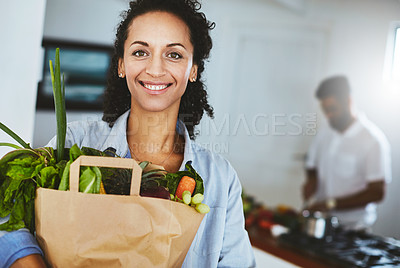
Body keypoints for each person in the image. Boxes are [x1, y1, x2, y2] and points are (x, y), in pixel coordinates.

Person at [0, 0, 256, 267]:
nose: (155, 69)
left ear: (193, 70)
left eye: (174, 54)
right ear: (122, 65)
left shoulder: (220, 178)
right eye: (140, 52)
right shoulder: (76, 142)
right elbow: (7, 214)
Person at [303, 75, 391, 231]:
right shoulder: (325, 131)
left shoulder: (372, 141)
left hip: (353, 229)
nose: (328, 115)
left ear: (348, 101)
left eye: (332, 109)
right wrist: (311, 181)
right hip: (323, 223)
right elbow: (312, 165)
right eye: (325, 110)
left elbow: (377, 192)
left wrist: (330, 204)